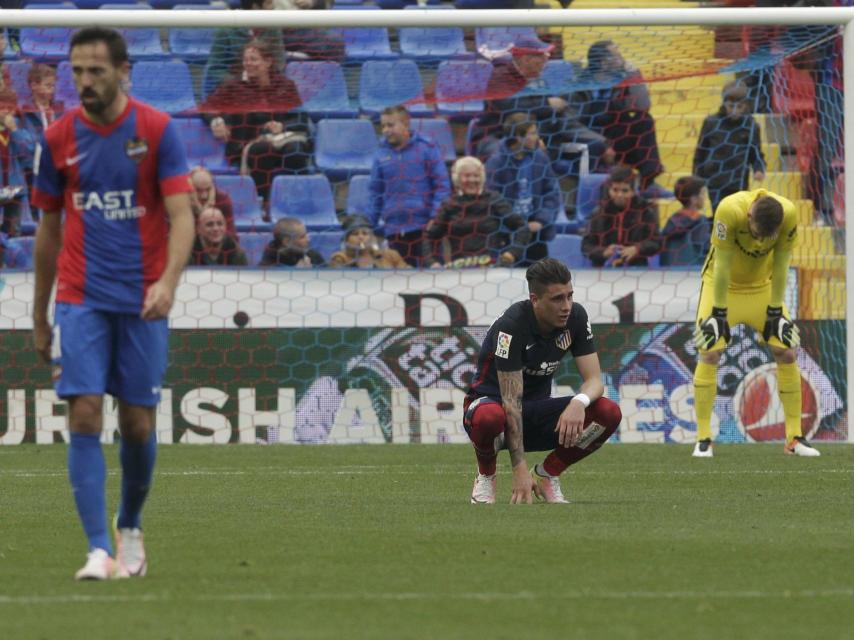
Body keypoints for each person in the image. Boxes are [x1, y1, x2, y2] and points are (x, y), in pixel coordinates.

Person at [30, 28, 195, 580]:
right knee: (82, 410)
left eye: (95, 71)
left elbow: (181, 216)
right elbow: (48, 231)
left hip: (143, 297)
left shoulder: (156, 130)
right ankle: (98, 550)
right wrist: (39, 312)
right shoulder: (56, 139)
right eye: (76, 71)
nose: (84, 82)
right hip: (80, 297)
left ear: (123, 71)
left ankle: (129, 526)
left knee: (138, 424)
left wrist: (168, 282)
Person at [464, 258, 623, 504]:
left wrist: (578, 402)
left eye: (570, 296)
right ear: (535, 300)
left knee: (607, 411)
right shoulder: (512, 326)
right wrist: (518, 470)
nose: (567, 306)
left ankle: (548, 474)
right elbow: (511, 401)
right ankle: (486, 475)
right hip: (492, 411)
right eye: (558, 299)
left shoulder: (576, 317)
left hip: (534, 414)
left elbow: (594, 381)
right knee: (489, 417)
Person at [692, 190, 820, 458]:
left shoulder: (788, 214)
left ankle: (794, 439)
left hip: (763, 289)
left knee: (786, 351)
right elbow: (722, 263)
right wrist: (718, 312)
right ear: (749, 215)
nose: (760, 241)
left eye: (766, 237)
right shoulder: (729, 210)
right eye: (756, 233)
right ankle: (703, 439)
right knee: (710, 352)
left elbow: (783, 262)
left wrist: (775, 309)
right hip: (721, 287)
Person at [202, 39, 310, 204]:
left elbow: (301, 118)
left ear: (268, 62)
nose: (248, 64)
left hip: (281, 140)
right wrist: (216, 120)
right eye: (246, 60)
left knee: (297, 149)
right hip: (246, 144)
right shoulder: (234, 86)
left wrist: (282, 126)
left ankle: (294, 200)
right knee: (262, 149)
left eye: (253, 59)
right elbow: (206, 107)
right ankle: (263, 201)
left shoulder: (285, 86)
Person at [480, 37, 611, 171]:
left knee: (592, 146)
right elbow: (510, 107)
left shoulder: (539, 80)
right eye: (542, 57)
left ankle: (580, 189)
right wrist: (547, 104)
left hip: (546, 140)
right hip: (503, 138)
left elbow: (559, 116)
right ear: (526, 59)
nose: (546, 62)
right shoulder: (501, 78)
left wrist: (599, 139)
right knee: (523, 154)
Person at [571, 40, 669, 198]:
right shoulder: (578, 86)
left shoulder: (622, 80)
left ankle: (647, 182)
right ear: (604, 64)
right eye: (617, 56)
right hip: (590, 137)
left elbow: (643, 106)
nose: (622, 60)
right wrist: (601, 143)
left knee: (643, 119)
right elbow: (572, 124)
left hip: (614, 132)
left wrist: (635, 76)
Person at [368, 105, 450, 266]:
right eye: (383, 126)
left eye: (391, 125)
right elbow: (375, 193)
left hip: (425, 227)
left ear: (406, 124)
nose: (385, 130)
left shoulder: (427, 148)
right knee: (399, 281)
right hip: (394, 229)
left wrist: (435, 216)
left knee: (432, 278)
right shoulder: (380, 155)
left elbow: (442, 185)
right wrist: (369, 224)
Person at [426, 156, 530, 268]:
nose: (472, 180)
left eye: (476, 176)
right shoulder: (449, 204)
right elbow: (429, 236)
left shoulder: (493, 199)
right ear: (457, 179)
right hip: (459, 270)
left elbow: (522, 227)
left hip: (493, 268)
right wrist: (432, 262)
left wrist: (511, 254)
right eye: (467, 176)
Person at [485, 119, 560, 264]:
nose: (537, 137)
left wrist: (540, 220)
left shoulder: (540, 158)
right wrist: (516, 224)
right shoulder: (496, 162)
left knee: (538, 279)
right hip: (507, 233)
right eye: (532, 133)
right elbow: (491, 198)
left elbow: (552, 193)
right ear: (518, 136)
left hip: (535, 232)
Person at [693, 81, 766, 212]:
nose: (734, 111)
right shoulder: (711, 122)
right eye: (731, 106)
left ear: (745, 105)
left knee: (738, 217)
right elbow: (700, 153)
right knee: (720, 216)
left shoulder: (751, 125)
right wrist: (697, 181)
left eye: (739, 107)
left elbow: (756, 154)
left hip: (739, 180)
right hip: (715, 180)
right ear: (724, 103)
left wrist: (758, 169)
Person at [581, 165, 661, 267]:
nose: (619, 195)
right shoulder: (598, 214)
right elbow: (586, 247)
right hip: (603, 271)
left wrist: (637, 249)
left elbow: (656, 242)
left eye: (625, 191)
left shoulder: (645, 212)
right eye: (615, 190)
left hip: (636, 269)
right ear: (609, 190)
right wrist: (603, 252)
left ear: (633, 191)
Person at [203, 0, 285, 98]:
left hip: (266, 88)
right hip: (234, 90)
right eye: (268, 3)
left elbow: (279, 62)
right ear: (255, 7)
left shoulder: (274, 28)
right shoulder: (226, 30)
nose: (273, 7)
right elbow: (215, 69)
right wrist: (240, 82)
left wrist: (265, 80)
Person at [0, 86, 31, 237]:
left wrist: (14, 130)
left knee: (13, 233)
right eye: (2, 107)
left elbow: (28, 153)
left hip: (15, 190)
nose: (6, 111)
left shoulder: (19, 128)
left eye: (10, 108)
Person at [660, 175, 711, 267]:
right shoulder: (700, 221)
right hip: (694, 271)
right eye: (703, 194)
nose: (704, 198)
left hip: (669, 269)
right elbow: (704, 247)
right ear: (694, 199)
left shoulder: (672, 219)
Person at [329, 215, 409, 269]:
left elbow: (409, 276)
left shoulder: (390, 255)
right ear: (346, 239)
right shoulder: (340, 258)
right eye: (355, 234)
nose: (361, 237)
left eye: (365, 233)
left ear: (372, 237)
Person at [260, 216, 326, 267]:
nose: (308, 239)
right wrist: (297, 272)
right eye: (302, 237)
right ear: (286, 241)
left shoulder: (312, 255)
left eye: (307, 235)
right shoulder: (270, 260)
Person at [189, 167, 236, 237]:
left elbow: (231, 234)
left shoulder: (223, 199)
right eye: (198, 190)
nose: (204, 196)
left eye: (208, 189)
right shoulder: (181, 202)